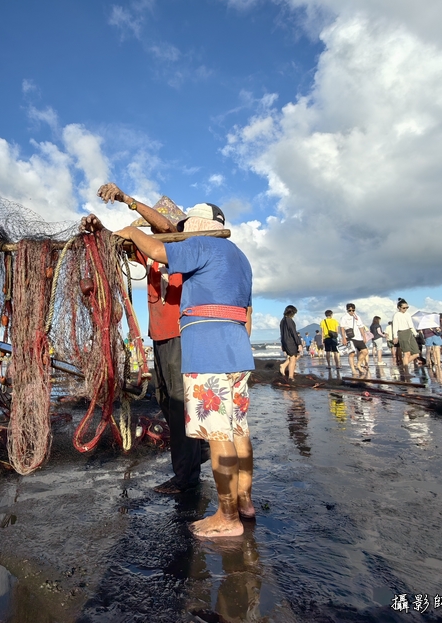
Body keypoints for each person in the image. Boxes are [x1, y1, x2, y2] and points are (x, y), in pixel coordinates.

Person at [111, 202, 256, 538]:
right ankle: (245, 502)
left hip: (208, 350)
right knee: (238, 431)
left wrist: (133, 232)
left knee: (218, 434)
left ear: (197, 225)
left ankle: (227, 516)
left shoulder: (201, 244)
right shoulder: (240, 257)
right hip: (236, 347)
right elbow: (247, 312)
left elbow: (162, 252)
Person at [93, 183, 206, 495]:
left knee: (181, 403)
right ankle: (201, 451)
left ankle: (185, 478)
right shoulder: (150, 257)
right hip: (159, 337)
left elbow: (165, 226)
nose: (154, 231)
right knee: (166, 401)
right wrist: (98, 229)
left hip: (181, 336)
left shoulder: (182, 249)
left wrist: (127, 200)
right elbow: (123, 242)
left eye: (155, 226)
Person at [338, 304, 369, 375]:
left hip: (358, 337)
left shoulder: (357, 317)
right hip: (349, 337)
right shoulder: (344, 317)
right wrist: (343, 338)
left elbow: (361, 326)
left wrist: (364, 336)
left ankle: (358, 364)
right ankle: (353, 369)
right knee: (352, 354)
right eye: (350, 310)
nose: (351, 312)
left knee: (365, 351)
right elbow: (342, 328)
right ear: (347, 310)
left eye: (353, 310)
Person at [391, 299, 419, 369]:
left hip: (409, 332)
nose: (405, 309)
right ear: (399, 307)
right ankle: (406, 371)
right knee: (407, 353)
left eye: (407, 307)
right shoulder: (396, 315)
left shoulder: (408, 314)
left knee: (416, 354)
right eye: (404, 308)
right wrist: (395, 336)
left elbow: (411, 325)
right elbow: (395, 326)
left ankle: (403, 365)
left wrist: (415, 333)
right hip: (402, 333)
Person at [278, 305, 302, 381]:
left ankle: (284, 365)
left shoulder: (282, 321)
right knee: (292, 358)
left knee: (296, 356)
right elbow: (293, 332)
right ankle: (291, 377)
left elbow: (281, 333)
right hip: (291, 341)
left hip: (285, 341)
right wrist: (299, 343)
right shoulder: (289, 320)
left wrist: (282, 344)